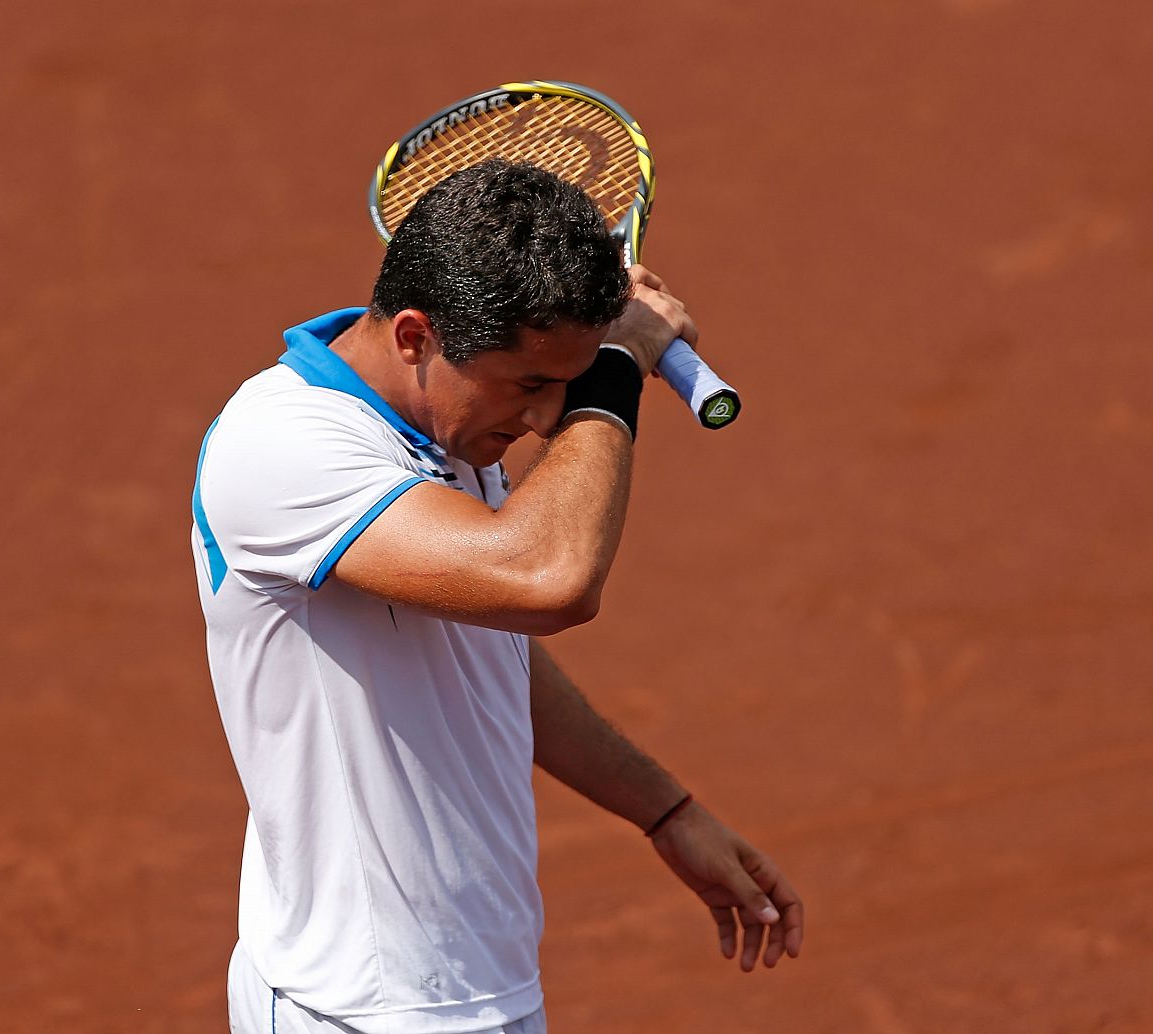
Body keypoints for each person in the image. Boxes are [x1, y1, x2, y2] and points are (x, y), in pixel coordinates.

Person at [192, 159, 802, 1034]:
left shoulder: (441, 434)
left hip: (473, 991)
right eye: (531, 385)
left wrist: (665, 811)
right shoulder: (284, 446)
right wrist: (614, 370)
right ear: (415, 336)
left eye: (568, 383)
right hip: (364, 1009)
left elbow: (489, 660)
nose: (549, 420)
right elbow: (548, 580)